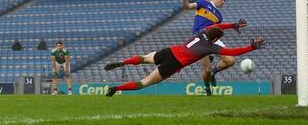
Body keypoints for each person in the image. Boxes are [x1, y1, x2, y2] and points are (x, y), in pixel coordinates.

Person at [103, 26, 265, 96]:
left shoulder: (202, 32)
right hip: (174, 63)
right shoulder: (213, 48)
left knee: (144, 58)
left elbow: (218, 25)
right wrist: (251, 47)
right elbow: (232, 52)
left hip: (169, 51)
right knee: (143, 83)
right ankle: (115, 88)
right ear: (215, 38)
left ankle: (123, 62)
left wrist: (230, 25)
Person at [181, 0, 247, 95]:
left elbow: (218, 28)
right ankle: (207, 87)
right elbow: (187, 6)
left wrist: (233, 26)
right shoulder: (203, 3)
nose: (223, 2)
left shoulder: (219, 16)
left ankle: (213, 73)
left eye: (224, 0)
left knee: (230, 60)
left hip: (213, 40)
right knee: (206, 70)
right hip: (200, 40)